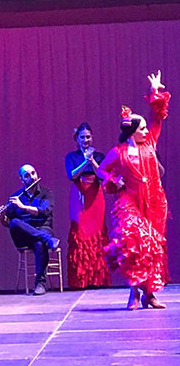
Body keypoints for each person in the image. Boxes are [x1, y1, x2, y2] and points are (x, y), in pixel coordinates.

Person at [97, 70, 170, 310]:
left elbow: (158, 117)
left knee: (151, 247)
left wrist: (155, 91)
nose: (146, 131)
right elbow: (101, 171)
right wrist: (113, 180)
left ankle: (149, 294)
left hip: (154, 202)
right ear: (132, 131)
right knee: (135, 241)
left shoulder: (150, 142)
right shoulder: (118, 152)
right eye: (142, 129)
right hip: (129, 201)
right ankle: (134, 293)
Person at [1, 164, 60, 296]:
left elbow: (45, 211)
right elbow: (8, 223)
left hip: (43, 228)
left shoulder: (47, 193)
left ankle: (40, 283)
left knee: (39, 243)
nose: (32, 177)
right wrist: (2, 215)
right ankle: (48, 240)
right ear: (22, 179)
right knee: (15, 222)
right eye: (27, 175)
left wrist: (23, 207)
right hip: (24, 236)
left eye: (33, 173)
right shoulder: (16, 197)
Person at [65, 123, 111, 289]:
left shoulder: (99, 155)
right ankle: (80, 280)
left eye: (88, 137)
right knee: (80, 232)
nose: (86, 140)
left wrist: (92, 161)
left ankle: (98, 279)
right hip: (79, 194)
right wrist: (85, 162)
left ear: (92, 137)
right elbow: (72, 175)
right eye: (82, 137)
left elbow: (104, 175)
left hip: (96, 195)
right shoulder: (71, 156)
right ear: (77, 139)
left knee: (97, 232)